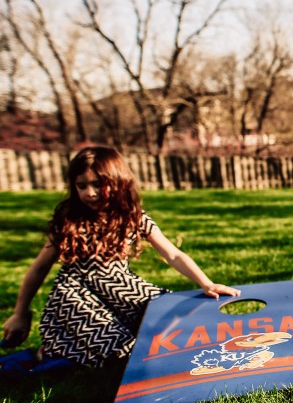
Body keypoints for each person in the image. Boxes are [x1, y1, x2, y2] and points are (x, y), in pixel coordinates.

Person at [1, 146, 239, 370]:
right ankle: (56, 351)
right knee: (124, 351)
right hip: (76, 296)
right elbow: (40, 267)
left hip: (121, 288)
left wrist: (206, 283)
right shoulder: (69, 218)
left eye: (97, 184)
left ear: (118, 182)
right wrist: (20, 313)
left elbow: (173, 253)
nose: (89, 193)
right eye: (81, 186)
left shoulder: (133, 217)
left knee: (175, 325)